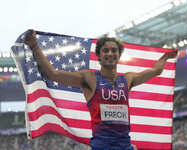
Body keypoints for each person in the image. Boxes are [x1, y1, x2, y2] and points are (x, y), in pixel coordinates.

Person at [24, 29, 177, 150]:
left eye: (113, 50)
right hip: (101, 146)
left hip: (125, 147)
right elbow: (52, 74)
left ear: (118, 55)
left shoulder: (128, 79)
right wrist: (35, 46)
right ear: (99, 55)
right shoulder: (89, 78)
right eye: (105, 50)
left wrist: (164, 58)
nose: (110, 53)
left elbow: (155, 71)